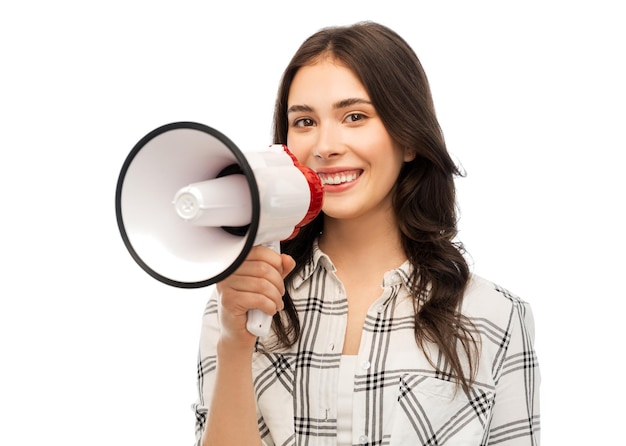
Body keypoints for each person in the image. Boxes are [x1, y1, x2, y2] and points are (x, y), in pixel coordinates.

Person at [193, 21, 540, 446]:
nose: (325, 145)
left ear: (408, 138)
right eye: (304, 122)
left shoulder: (496, 316)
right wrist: (235, 343)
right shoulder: (241, 299)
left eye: (354, 116)